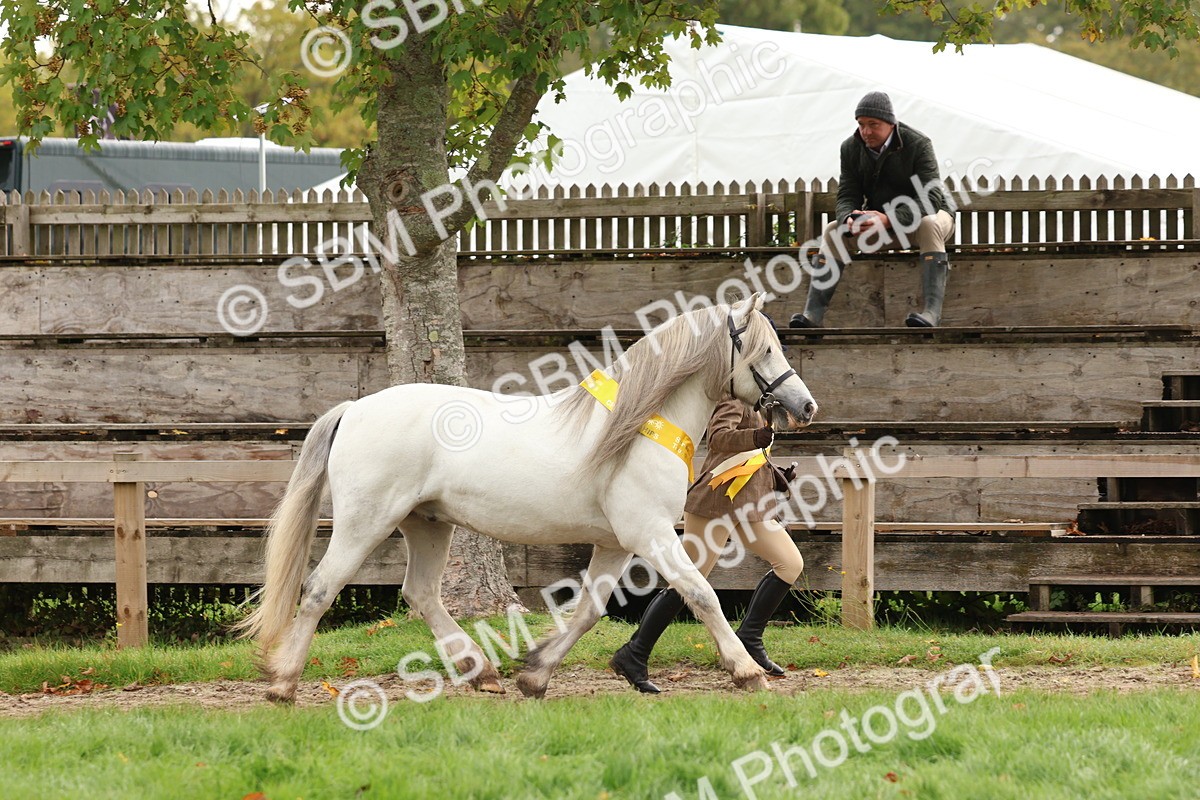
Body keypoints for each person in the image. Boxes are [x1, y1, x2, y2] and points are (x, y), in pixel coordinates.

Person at [609, 398, 805, 693]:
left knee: (791, 564)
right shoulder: (733, 400)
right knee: (689, 580)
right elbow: (717, 438)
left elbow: (750, 457)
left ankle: (750, 638)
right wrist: (754, 437)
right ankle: (633, 654)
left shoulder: (762, 405)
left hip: (748, 508)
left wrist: (774, 474)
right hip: (714, 504)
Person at [789, 90, 955, 329]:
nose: (865, 131)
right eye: (861, 124)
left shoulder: (919, 143)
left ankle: (931, 314)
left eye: (873, 124)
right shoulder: (850, 148)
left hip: (931, 216)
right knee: (833, 230)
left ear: (891, 124)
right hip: (883, 221)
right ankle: (812, 315)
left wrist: (888, 220)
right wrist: (849, 218)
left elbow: (930, 198)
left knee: (929, 224)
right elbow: (848, 193)